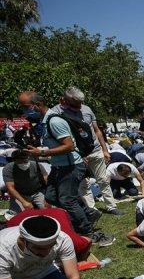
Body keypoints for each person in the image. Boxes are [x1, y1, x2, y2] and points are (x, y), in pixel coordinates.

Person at [20, 92, 96, 236]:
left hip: (70, 166)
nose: (24, 110)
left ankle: (87, 231)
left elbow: (69, 146)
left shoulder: (54, 121)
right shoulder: (44, 121)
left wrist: (42, 153)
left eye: (26, 107)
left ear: (37, 105)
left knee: (67, 200)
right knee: (50, 196)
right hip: (59, 165)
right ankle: (89, 213)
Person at [50, 87, 121, 216]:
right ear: (64, 100)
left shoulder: (87, 109)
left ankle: (111, 206)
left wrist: (105, 149)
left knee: (103, 180)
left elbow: (97, 130)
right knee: (84, 184)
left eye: (80, 104)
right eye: (75, 105)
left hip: (95, 150)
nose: (78, 108)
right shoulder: (56, 112)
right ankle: (92, 210)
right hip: (78, 155)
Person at [6, 208, 94, 260]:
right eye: (39, 248)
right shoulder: (11, 237)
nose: (44, 252)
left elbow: (87, 241)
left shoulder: (69, 241)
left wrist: (79, 257)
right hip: (17, 220)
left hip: (22, 216)